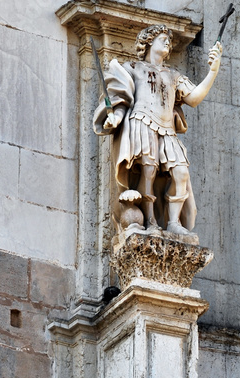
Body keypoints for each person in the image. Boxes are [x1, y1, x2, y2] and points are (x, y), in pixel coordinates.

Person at [93, 24, 222, 236]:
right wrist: (115, 118)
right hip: (141, 122)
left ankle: (173, 222)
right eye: (162, 38)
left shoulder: (173, 75)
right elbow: (122, 99)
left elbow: (194, 98)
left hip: (167, 130)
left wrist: (213, 71)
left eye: (169, 40)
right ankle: (150, 220)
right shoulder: (133, 67)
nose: (167, 42)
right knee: (148, 172)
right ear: (148, 42)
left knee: (180, 172)